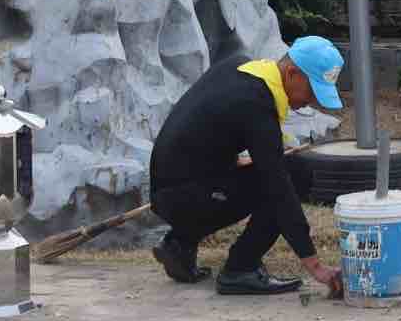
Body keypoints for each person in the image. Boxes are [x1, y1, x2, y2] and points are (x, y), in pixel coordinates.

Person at [148, 37, 345, 295]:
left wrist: (235, 161)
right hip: (183, 198)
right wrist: (314, 264)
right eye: (312, 92)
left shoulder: (240, 69)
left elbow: (203, 130)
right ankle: (241, 269)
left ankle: (179, 245)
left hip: (172, 188)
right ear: (292, 73)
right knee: (296, 174)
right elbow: (280, 189)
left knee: (273, 171)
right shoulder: (257, 103)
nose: (312, 101)